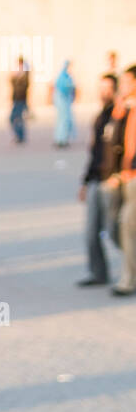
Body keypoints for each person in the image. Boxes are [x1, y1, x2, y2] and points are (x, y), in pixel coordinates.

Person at [76, 72, 117, 287]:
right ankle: (98, 273)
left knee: (116, 231)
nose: (104, 93)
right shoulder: (99, 118)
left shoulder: (120, 116)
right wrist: (85, 182)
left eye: (109, 88)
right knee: (91, 232)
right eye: (102, 88)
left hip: (112, 181)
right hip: (95, 180)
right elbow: (94, 154)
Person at [102, 63, 136, 297]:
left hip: (133, 176)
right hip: (122, 176)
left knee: (126, 223)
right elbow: (111, 138)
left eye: (126, 82)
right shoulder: (124, 109)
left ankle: (128, 279)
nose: (121, 86)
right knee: (115, 225)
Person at [52, 61, 77, 147]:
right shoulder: (63, 76)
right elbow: (64, 88)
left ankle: (62, 138)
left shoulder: (66, 76)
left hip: (65, 101)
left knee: (64, 120)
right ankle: (61, 139)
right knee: (62, 121)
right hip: (62, 101)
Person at [9, 55, 31, 144]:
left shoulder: (24, 75)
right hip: (17, 99)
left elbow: (21, 88)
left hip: (20, 99)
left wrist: (16, 77)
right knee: (17, 118)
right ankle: (20, 136)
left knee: (15, 118)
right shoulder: (19, 74)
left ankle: (20, 136)